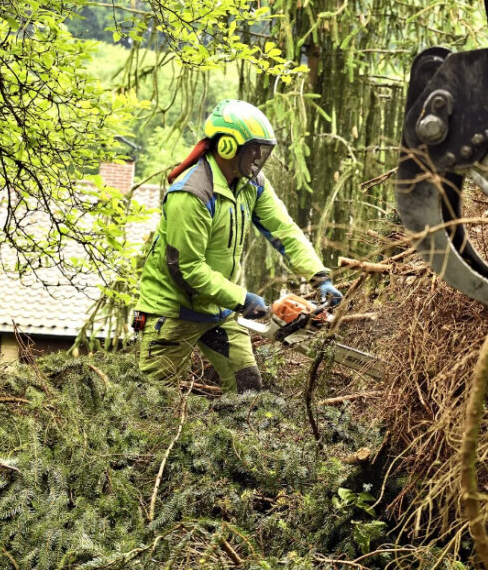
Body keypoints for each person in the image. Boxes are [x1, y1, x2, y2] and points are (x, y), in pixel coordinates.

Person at [133, 99, 343, 393]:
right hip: (173, 311)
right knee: (153, 399)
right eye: (253, 149)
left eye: (262, 150)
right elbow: (188, 269)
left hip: (220, 309)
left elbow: (283, 230)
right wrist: (243, 299)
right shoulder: (192, 194)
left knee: (248, 387)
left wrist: (319, 276)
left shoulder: (251, 183)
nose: (258, 157)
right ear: (227, 146)